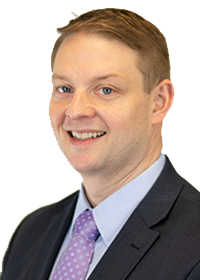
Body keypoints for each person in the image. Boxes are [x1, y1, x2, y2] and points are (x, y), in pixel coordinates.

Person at [1, 8, 200, 280]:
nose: (75, 111)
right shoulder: (31, 233)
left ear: (159, 101)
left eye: (106, 90)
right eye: (65, 89)